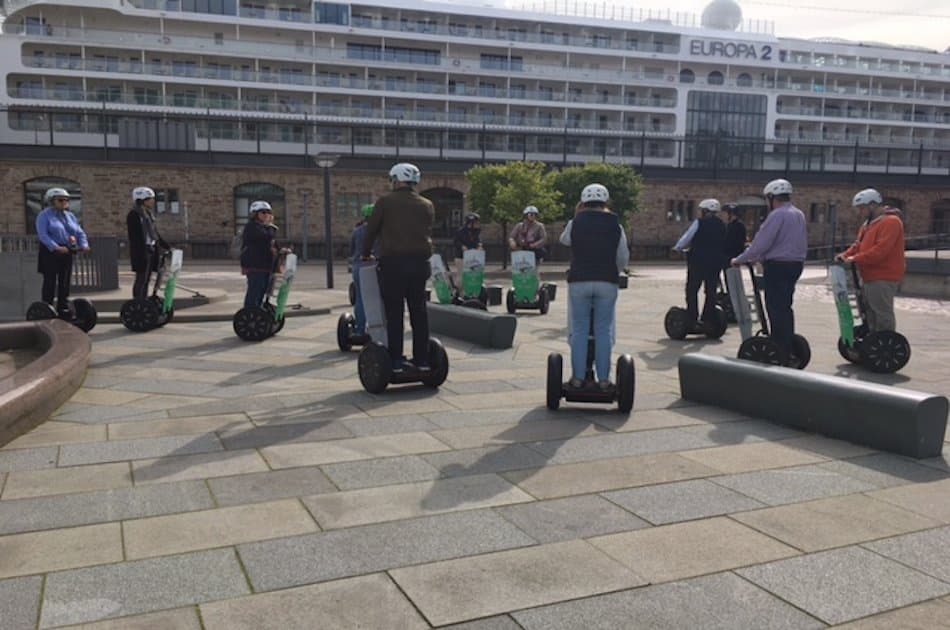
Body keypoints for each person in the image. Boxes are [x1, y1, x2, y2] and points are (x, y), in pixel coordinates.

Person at [362, 162, 435, 373]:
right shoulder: (427, 204)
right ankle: (422, 359)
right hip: (420, 263)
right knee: (418, 311)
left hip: (394, 263)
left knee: (394, 312)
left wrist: (365, 253)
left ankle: (396, 360)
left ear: (395, 179)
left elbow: (372, 230)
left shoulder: (385, 202)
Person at [559, 183, 629, 389]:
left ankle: (578, 378)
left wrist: (576, 217)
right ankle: (604, 380)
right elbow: (623, 258)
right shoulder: (616, 224)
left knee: (579, 329)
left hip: (579, 280)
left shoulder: (576, 222)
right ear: (606, 202)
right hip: (606, 281)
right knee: (603, 330)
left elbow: (564, 240)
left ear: (583, 202)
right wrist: (613, 269)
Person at [731, 178, 808, 366]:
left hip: (778, 266)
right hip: (795, 265)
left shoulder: (777, 215)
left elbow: (762, 242)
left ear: (772, 197)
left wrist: (740, 259)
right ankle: (787, 344)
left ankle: (780, 348)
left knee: (775, 307)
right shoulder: (798, 214)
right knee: (785, 307)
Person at [836, 188, 905, 332]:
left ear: (872, 205)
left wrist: (855, 258)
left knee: (881, 314)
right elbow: (858, 245)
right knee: (869, 314)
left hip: (883, 276)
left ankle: (886, 344)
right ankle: (873, 343)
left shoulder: (891, 222)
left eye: (862, 208)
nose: (859, 212)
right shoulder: (867, 224)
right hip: (868, 276)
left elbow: (881, 251)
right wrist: (845, 255)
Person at [672, 198, 726, 331]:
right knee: (711, 291)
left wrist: (677, 247)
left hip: (698, 262)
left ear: (706, 211)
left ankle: (692, 317)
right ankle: (708, 318)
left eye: (701, 211)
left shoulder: (699, 223)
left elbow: (687, 238)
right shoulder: (721, 225)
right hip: (715, 263)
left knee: (692, 290)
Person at [35, 187, 90, 315]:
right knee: (50, 280)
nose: (64, 202)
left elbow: (79, 232)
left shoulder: (70, 216)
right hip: (50, 252)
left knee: (64, 281)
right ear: (51, 201)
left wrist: (84, 244)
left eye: (66, 200)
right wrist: (56, 247)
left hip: (67, 250)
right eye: (60, 200)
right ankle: (47, 307)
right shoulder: (44, 216)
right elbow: (43, 235)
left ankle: (62, 307)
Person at [126, 186, 170, 300]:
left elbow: (155, 234)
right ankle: (138, 302)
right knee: (141, 278)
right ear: (142, 200)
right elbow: (135, 237)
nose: (153, 201)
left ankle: (144, 301)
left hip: (151, 249)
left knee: (147, 279)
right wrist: (142, 252)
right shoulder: (134, 215)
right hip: (141, 251)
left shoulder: (149, 215)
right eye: (150, 199)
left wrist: (167, 246)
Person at [239, 200, 277, 310]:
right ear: (255, 214)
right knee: (254, 292)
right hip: (255, 266)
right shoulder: (252, 227)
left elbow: (272, 242)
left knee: (262, 292)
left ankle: (258, 312)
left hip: (265, 266)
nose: (267, 215)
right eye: (263, 213)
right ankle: (250, 313)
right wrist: (270, 226)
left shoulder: (264, 227)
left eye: (268, 213)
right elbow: (266, 237)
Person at [349, 203, 375, 335]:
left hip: (358, 267)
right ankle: (377, 327)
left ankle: (360, 329)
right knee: (378, 298)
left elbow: (352, 250)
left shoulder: (357, 231)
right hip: (375, 266)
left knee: (360, 298)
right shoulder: (381, 230)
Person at [453, 213, 482, 289]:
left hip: (472, 257)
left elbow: (478, 240)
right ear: (470, 223)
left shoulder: (476, 232)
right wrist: (462, 246)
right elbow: (456, 242)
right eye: (476, 223)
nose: (478, 224)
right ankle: (458, 292)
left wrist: (479, 245)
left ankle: (469, 292)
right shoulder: (461, 231)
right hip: (461, 257)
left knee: (472, 275)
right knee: (461, 275)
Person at [723, 204, 747, 270]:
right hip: (726, 257)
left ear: (732, 214)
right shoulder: (728, 225)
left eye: (726, 213)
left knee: (732, 277)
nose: (724, 215)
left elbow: (739, 243)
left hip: (733, 257)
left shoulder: (739, 226)